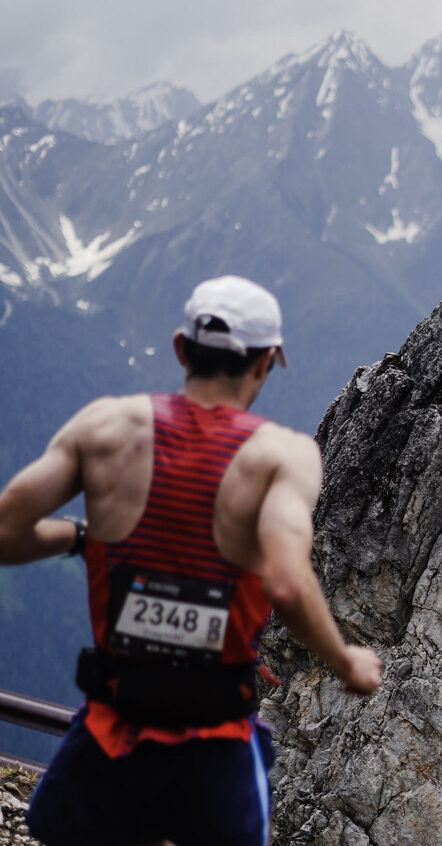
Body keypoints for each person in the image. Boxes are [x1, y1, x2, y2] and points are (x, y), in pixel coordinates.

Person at [0, 274, 383, 846]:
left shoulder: (103, 428)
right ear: (267, 363)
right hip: (214, 753)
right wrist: (347, 661)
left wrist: (80, 537)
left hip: (111, 739)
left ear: (181, 350)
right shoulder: (282, 457)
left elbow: (7, 531)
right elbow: (285, 578)